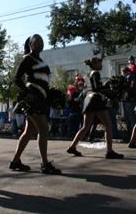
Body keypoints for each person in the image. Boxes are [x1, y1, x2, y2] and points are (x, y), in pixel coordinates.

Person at [9, 34, 61, 174]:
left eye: (41, 41)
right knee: (44, 129)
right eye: (36, 41)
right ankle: (44, 164)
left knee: (29, 132)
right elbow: (16, 78)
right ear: (30, 45)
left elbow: (44, 81)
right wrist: (27, 92)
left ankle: (15, 162)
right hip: (33, 97)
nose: (40, 43)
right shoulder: (28, 58)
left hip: (41, 97)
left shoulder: (39, 59)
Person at [66, 57, 124, 159]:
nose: (101, 65)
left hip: (88, 100)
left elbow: (88, 89)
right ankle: (109, 152)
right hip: (96, 100)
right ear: (95, 64)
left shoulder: (87, 75)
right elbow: (97, 88)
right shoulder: (96, 73)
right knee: (108, 125)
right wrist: (108, 87)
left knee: (85, 127)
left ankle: (72, 147)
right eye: (100, 63)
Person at [121, 67, 136, 142]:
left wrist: (125, 86)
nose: (122, 74)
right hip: (126, 100)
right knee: (127, 119)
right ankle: (128, 134)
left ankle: (133, 135)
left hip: (131, 100)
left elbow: (133, 87)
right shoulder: (126, 79)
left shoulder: (132, 78)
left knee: (132, 119)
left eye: (123, 72)